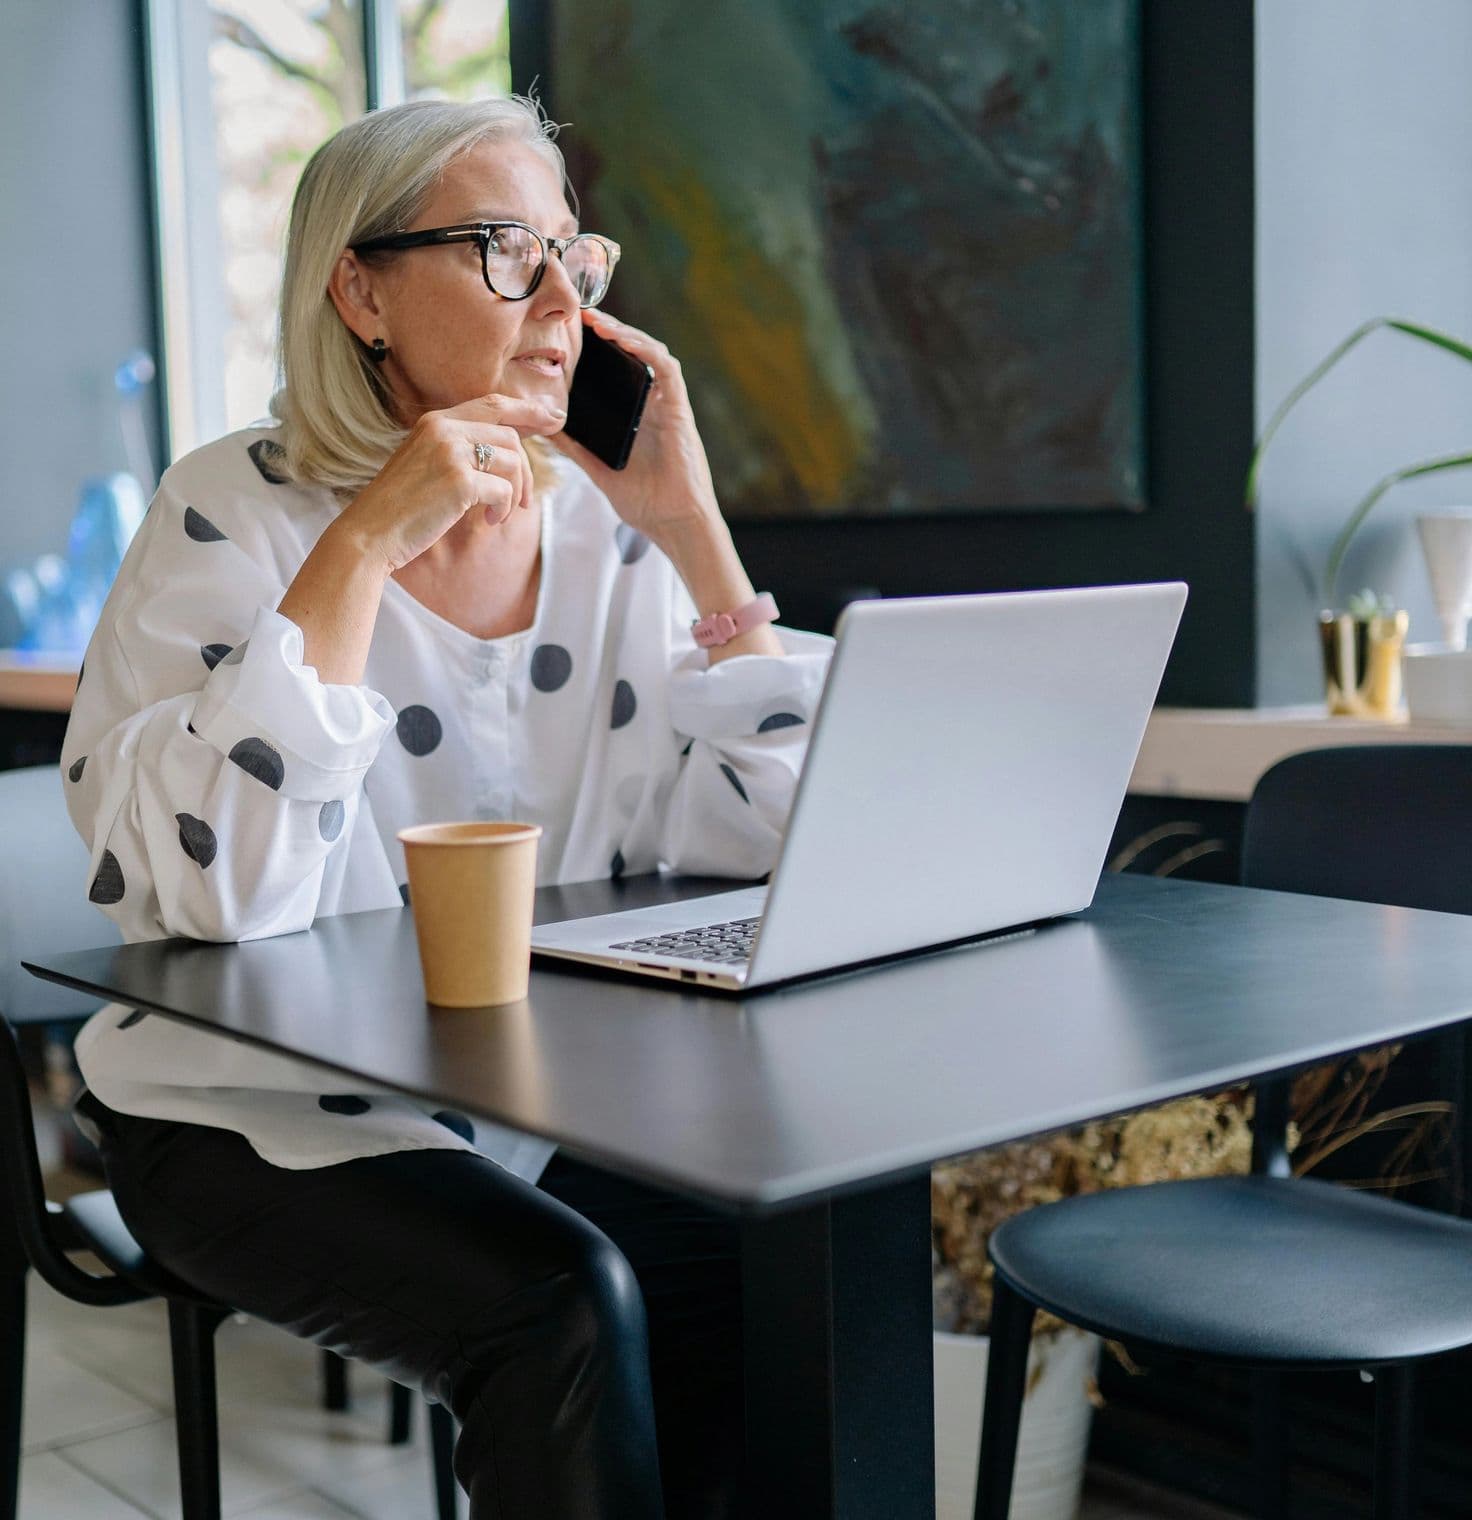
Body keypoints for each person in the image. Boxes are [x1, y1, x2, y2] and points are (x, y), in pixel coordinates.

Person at [61, 95, 831, 1518]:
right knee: (560, 1303)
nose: (557, 302)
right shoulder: (233, 509)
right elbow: (224, 896)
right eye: (499, 250)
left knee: (783, 1268)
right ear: (360, 289)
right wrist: (363, 543)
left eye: (570, 258)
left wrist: (693, 530)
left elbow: (776, 840)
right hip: (242, 1111)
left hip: (543, 1102)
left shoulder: (605, 529)